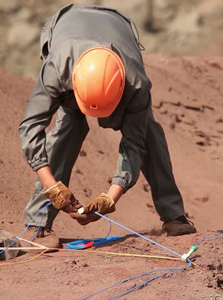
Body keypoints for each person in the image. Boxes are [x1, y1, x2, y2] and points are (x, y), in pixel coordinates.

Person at [18, 3, 196, 249]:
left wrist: (110, 198)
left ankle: (174, 216)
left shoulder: (136, 83)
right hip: (66, 28)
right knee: (67, 127)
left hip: (118, 31)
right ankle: (38, 227)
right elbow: (30, 128)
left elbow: (134, 143)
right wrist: (53, 187)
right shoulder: (57, 69)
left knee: (148, 133)